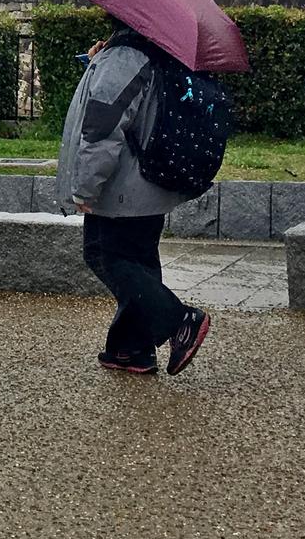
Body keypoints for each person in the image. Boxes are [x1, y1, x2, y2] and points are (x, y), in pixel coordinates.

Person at [57, 28, 212, 377]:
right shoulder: (157, 50)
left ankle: (180, 320)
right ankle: (131, 349)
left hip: (121, 188)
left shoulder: (125, 58)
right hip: (148, 185)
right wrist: (100, 59)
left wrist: (85, 187)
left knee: (104, 255)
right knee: (138, 262)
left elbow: (103, 127)